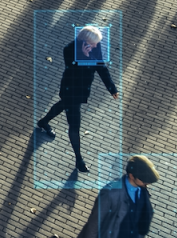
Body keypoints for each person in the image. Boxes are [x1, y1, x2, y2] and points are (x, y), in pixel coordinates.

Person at [35, 26, 118, 173]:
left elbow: (101, 67)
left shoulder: (95, 46)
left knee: (61, 106)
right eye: (93, 44)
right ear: (84, 41)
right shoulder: (69, 49)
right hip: (70, 89)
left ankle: (43, 122)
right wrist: (84, 58)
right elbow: (72, 69)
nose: (95, 46)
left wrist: (111, 88)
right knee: (74, 126)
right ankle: (79, 160)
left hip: (82, 90)